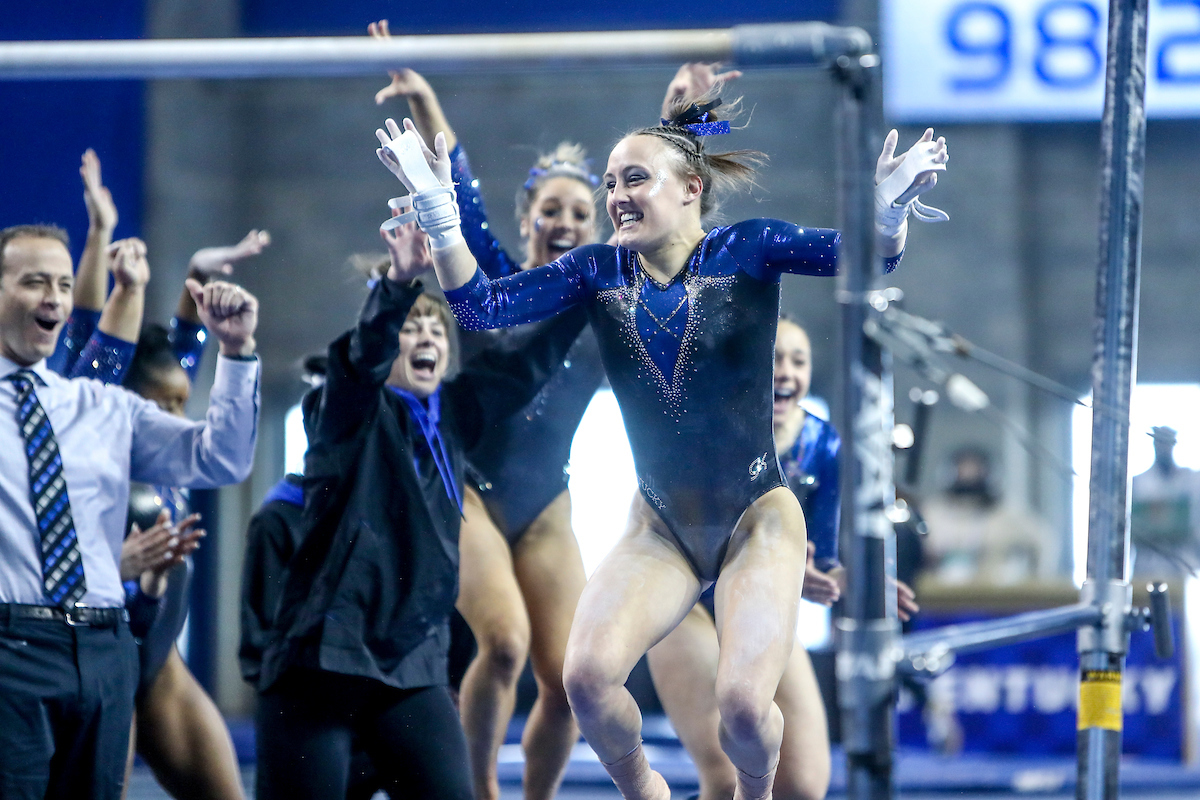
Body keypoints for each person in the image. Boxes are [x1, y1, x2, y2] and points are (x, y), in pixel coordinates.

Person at [373, 82, 947, 798]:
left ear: (689, 190)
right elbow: (483, 309)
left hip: (756, 518)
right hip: (661, 524)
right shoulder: (596, 270)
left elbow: (865, 259)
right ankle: (646, 791)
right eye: (612, 183)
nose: (616, 195)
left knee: (744, 709)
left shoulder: (748, 249)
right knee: (586, 680)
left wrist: (887, 209)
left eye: (634, 179)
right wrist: (440, 211)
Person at [254, 219, 586, 800]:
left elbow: (521, 369)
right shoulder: (346, 409)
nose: (427, 336)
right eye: (412, 328)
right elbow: (362, 358)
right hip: (324, 662)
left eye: (437, 329)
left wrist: (589, 293)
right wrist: (398, 284)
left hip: (409, 667)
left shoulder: (451, 418)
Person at [369, 21, 613, 797]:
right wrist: (424, 99)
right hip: (468, 486)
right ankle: (477, 791)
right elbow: (458, 190)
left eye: (580, 214)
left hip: (547, 503)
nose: (565, 223)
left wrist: (683, 121)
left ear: (599, 227)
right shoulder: (494, 279)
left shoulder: (604, 304)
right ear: (527, 216)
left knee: (573, 678)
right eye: (551, 210)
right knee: (502, 645)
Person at [0, 223, 260, 799]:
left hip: (107, 650)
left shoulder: (99, 405)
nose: (54, 297)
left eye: (63, 284)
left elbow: (220, 458)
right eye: (35, 281)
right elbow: (106, 331)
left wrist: (237, 353)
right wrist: (104, 238)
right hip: (11, 650)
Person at [647, 316, 918, 800]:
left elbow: (825, 557)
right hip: (689, 605)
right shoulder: (708, 427)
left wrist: (851, 581)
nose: (786, 372)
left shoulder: (823, 443)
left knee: (804, 785)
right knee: (726, 774)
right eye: (774, 359)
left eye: (799, 361)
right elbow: (686, 534)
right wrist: (780, 566)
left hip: (760, 607)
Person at [920, 446, 1057, 585]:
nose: (968, 475)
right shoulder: (932, 512)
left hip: (992, 590)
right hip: (939, 591)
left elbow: (1044, 541)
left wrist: (1036, 583)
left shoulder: (1006, 513)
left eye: (974, 469)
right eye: (963, 468)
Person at [1131, 426, 1200, 579]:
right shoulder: (1139, 483)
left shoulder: (1191, 480)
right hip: (1146, 566)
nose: (1163, 448)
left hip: (1183, 564)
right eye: (1160, 443)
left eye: (1166, 443)